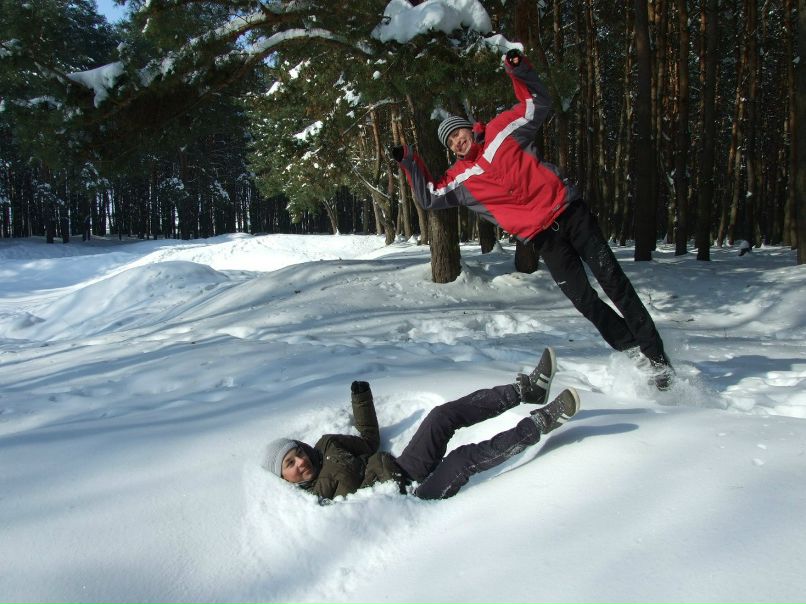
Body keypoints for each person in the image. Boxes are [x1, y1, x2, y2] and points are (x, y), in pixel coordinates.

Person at [391, 49, 673, 390]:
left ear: (468, 127)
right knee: (584, 300)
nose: (456, 141)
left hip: (570, 213)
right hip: (545, 239)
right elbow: (428, 196)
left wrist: (518, 70)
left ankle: (657, 359)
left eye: (457, 133)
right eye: (450, 141)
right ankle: (634, 351)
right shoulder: (461, 178)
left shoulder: (500, 132)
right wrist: (408, 161)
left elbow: (537, 103)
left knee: (614, 282)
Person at [264, 347, 580, 502]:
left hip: (404, 468)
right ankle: (540, 424)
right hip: (405, 502)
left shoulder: (326, 446)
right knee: (462, 459)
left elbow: (370, 443)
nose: (300, 462)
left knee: (441, 416)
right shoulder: (309, 502)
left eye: (297, 454)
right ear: (282, 478)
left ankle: (526, 391)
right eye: (289, 465)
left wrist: (361, 399)